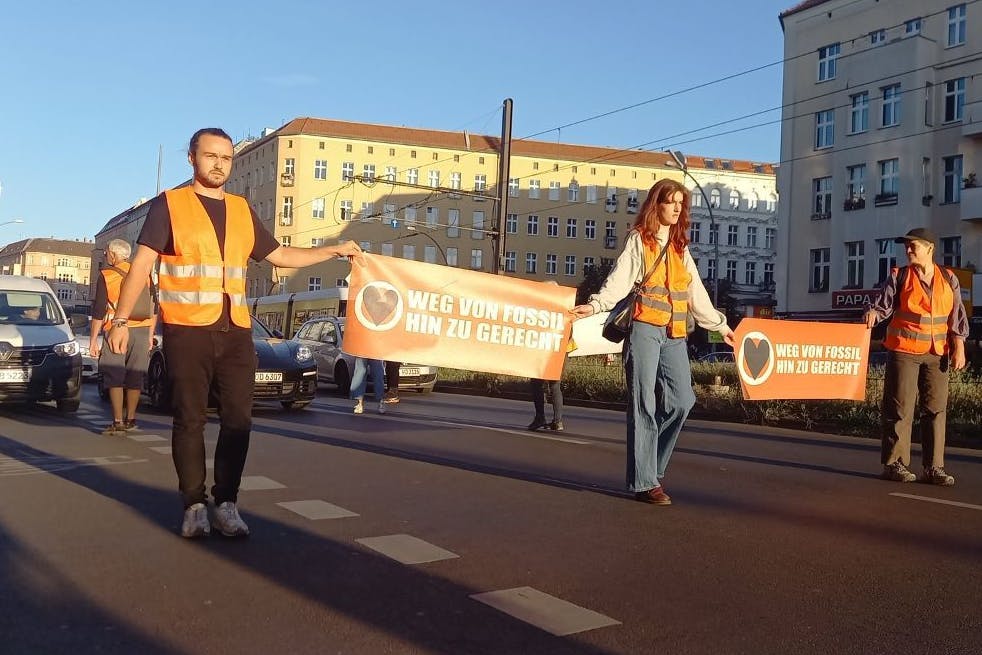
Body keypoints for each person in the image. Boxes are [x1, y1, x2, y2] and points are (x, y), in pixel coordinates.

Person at [107, 127, 363, 539]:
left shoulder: (242, 210)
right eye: (210, 156)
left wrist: (332, 250)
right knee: (190, 418)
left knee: (239, 419)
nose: (219, 164)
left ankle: (226, 502)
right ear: (192, 158)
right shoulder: (169, 205)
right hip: (187, 329)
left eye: (226, 158)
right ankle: (193, 505)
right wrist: (120, 320)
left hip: (236, 330)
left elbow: (279, 254)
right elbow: (141, 264)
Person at [571, 179, 734, 506]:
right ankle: (646, 482)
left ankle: (649, 465)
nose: (677, 208)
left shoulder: (679, 246)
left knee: (682, 401)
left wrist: (720, 324)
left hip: (674, 332)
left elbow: (694, 292)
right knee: (643, 403)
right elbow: (617, 282)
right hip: (644, 327)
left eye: (680, 203)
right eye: (671, 202)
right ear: (655, 205)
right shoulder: (639, 241)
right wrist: (594, 305)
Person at [864, 227, 968, 486]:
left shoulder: (948, 278)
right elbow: (882, 306)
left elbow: (957, 315)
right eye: (906, 246)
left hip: (937, 353)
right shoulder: (899, 276)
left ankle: (934, 468)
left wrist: (960, 346)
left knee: (935, 410)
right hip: (904, 352)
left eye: (914, 246)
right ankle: (894, 464)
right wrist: (873, 314)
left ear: (930, 248)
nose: (908, 250)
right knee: (900, 409)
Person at [90, 238, 156, 435]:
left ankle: (118, 421)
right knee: (136, 375)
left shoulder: (107, 274)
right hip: (142, 329)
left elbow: (99, 310)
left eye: (106, 252)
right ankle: (131, 419)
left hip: (117, 330)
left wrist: (93, 340)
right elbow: (154, 305)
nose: (104, 255)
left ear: (114, 255)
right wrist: (151, 334)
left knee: (114, 374)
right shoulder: (144, 274)